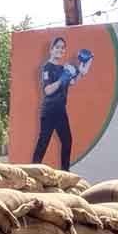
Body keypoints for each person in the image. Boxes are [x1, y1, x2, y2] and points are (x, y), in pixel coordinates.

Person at [31, 37, 92, 172]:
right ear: (51, 50)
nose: (60, 49)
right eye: (57, 47)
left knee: (67, 141)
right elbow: (47, 91)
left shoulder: (63, 68)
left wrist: (82, 70)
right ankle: (32, 170)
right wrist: (61, 80)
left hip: (60, 110)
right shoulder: (47, 68)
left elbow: (72, 82)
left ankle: (65, 172)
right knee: (43, 142)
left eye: (63, 47)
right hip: (49, 111)